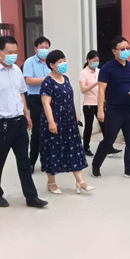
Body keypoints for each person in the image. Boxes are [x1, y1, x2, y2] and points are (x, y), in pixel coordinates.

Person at [0, 35, 48, 209]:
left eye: (15, 52)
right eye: (9, 52)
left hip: (19, 122)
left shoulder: (16, 70)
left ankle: (31, 197)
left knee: (24, 161)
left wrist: (26, 115)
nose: (13, 55)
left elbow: (21, 93)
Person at [40, 50, 95, 194]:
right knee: (52, 150)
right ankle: (51, 182)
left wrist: (75, 114)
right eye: (60, 62)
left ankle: (80, 182)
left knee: (74, 148)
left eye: (64, 60)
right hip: (55, 120)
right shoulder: (47, 82)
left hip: (69, 121)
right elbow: (46, 103)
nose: (63, 64)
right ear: (52, 65)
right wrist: (51, 122)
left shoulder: (66, 79)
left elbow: (70, 100)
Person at [92, 36, 130, 180]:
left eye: (128, 48)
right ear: (114, 51)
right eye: (122, 49)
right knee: (109, 140)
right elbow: (101, 90)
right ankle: (96, 164)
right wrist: (100, 110)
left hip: (129, 110)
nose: (126, 51)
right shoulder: (107, 68)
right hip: (114, 111)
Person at [79, 50, 122, 157]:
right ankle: (85, 148)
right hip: (89, 104)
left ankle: (109, 147)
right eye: (94, 61)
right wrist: (95, 83)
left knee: (105, 126)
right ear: (88, 60)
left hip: (100, 103)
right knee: (89, 126)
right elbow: (83, 89)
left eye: (97, 61)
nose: (96, 63)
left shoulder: (100, 71)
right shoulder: (83, 73)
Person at [23, 36, 51, 173]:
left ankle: (47, 161)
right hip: (35, 99)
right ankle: (32, 161)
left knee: (50, 130)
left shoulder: (51, 62)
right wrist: (46, 79)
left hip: (50, 98)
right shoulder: (30, 62)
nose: (44, 50)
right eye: (42, 47)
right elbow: (28, 80)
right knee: (37, 132)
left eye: (47, 47)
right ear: (35, 49)